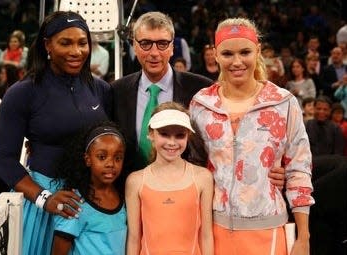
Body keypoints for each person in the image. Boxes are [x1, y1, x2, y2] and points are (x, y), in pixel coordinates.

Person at [111, 11, 285, 195]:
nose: (154, 52)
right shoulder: (116, 91)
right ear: (134, 46)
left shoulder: (202, 89)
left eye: (162, 44)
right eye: (145, 43)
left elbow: (229, 143)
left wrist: (270, 170)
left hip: (188, 196)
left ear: (172, 47)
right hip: (128, 196)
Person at [190, 17, 315, 254]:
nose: (237, 62)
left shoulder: (283, 103)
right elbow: (192, 168)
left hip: (268, 231)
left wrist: (303, 237)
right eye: (227, 54)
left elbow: (300, 169)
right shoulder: (201, 105)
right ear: (215, 54)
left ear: (257, 51)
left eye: (245, 52)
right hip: (212, 232)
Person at [0, 11, 112, 255]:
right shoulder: (22, 93)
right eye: (65, 42)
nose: (76, 51)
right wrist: (44, 198)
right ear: (47, 44)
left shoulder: (101, 89)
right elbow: (4, 159)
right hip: (44, 204)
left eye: (82, 43)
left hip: (92, 204)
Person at [125, 101, 214, 255]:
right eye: (164, 134)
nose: (172, 142)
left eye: (180, 135)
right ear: (151, 134)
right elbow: (134, 238)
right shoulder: (136, 181)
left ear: (188, 136)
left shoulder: (202, 177)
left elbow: (206, 235)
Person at [51, 122, 127, 255]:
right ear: (88, 159)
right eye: (102, 157)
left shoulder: (123, 197)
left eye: (118, 158)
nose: (110, 164)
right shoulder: (74, 202)